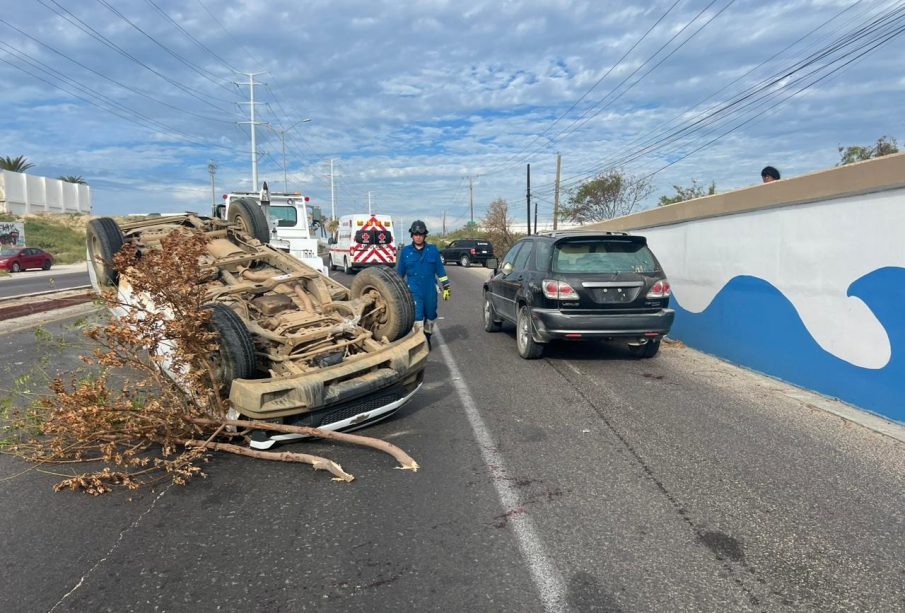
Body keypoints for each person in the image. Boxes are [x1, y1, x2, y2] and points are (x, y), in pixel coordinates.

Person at [396, 220, 450, 349]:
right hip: (414, 289)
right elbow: (399, 274)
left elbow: (440, 270)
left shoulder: (432, 250)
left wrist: (446, 287)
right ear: (412, 236)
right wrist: (397, 292)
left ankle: (428, 336)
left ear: (424, 235)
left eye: (420, 234)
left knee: (431, 316)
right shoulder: (406, 252)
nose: (418, 236)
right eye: (415, 234)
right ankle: (420, 342)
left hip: (430, 289)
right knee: (418, 316)